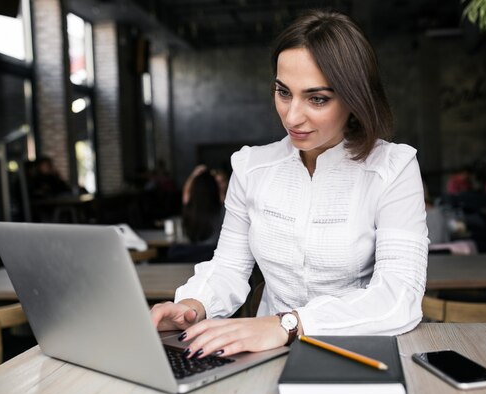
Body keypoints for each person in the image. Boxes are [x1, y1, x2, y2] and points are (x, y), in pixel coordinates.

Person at [151, 10, 428, 359]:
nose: (292, 116)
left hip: (359, 349)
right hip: (264, 353)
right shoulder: (251, 167)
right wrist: (193, 305)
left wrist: (289, 324)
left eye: (317, 99)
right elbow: (229, 268)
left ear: (356, 99)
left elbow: (399, 296)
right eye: (284, 92)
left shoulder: (393, 168)